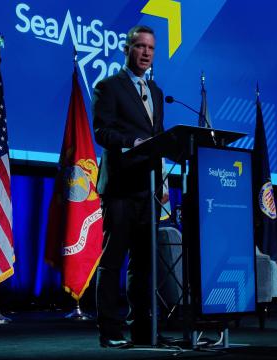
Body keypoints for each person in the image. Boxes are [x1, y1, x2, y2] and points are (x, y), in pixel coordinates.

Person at [92, 25, 165, 348]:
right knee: (112, 261)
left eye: (150, 48)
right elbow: (102, 132)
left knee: (143, 265)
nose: (146, 53)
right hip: (120, 188)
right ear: (127, 49)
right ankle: (109, 331)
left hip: (147, 189)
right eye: (140, 46)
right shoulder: (108, 87)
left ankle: (142, 329)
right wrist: (132, 142)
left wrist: (161, 182)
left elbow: (160, 140)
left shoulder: (157, 92)